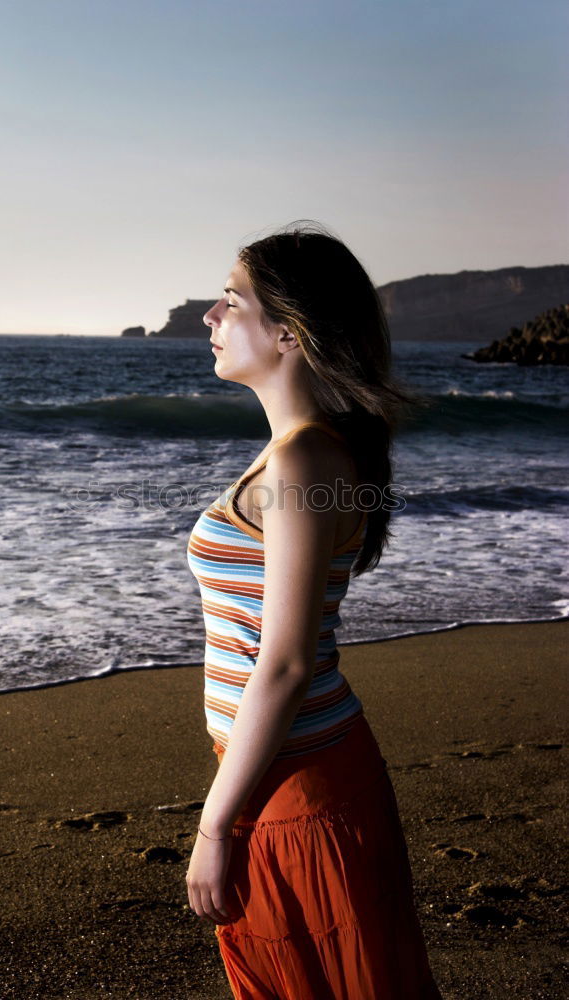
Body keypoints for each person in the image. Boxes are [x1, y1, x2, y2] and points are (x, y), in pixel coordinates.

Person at [185, 220, 442, 999]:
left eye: (232, 300)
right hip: (282, 779)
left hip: (300, 790)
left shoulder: (304, 458)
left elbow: (288, 663)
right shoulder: (301, 450)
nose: (210, 316)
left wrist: (212, 830)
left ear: (289, 332)